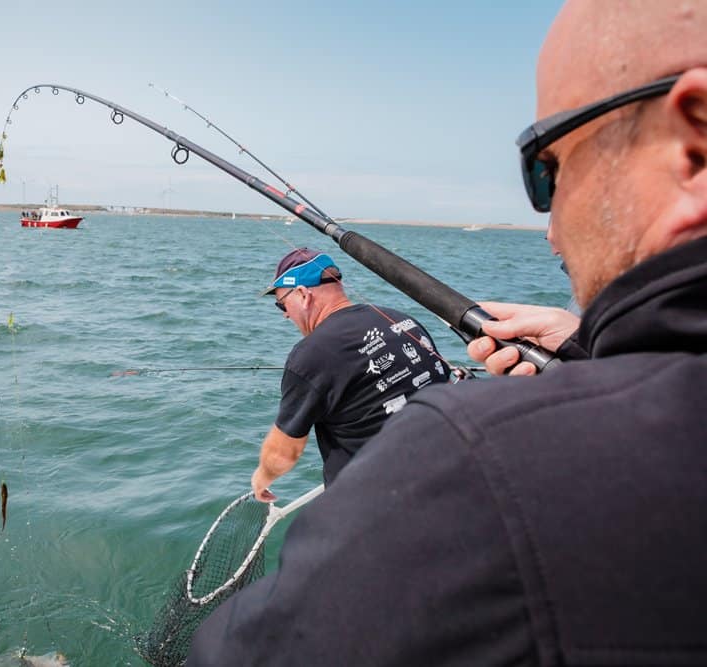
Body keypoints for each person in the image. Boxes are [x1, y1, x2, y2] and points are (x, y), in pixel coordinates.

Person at [188, 1, 707, 664]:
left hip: (383, 516)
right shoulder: (398, 317)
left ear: (694, 143)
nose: (548, 229)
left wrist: (262, 481)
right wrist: (588, 348)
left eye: (547, 170)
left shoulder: (469, 458)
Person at [251, 247, 449, 501]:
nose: (285, 314)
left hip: (377, 506)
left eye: (282, 304)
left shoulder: (311, 355)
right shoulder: (402, 319)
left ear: (302, 295)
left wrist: (261, 478)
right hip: (447, 475)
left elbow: (283, 454)